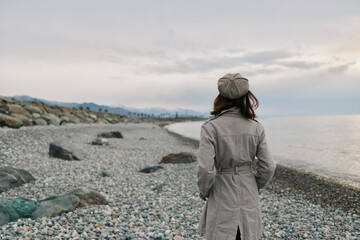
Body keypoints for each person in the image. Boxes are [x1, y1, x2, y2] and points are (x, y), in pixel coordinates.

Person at [197, 73, 276, 240]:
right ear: (247, 97)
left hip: (221, 189)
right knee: (248, 233)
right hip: (248, 188)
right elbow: (268, 166)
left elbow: (205, 169)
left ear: (220, 97)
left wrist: (205, 191)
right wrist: (256, 184)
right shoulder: (256, 128)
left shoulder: (210, 128)